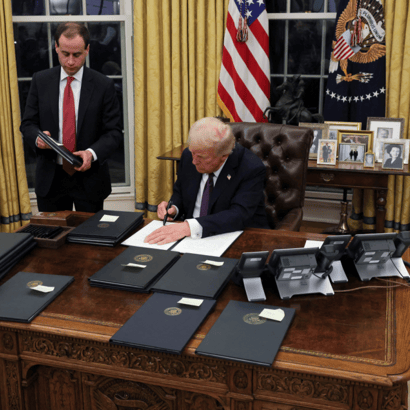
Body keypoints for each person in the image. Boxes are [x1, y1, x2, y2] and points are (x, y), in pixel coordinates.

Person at [20, 22, 122, 212]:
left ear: (87, 50)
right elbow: (27, 124)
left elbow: (113, 133)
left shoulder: (103, 85)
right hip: (51, 178)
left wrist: (91, 154)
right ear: (56, 47)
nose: (70, 62)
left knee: (89, 239)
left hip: (89, 179)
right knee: (52, 238)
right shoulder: (40, 81)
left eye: (77, 55)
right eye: (65, 54)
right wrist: (38, 138)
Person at [145, 117, 269, 245]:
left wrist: (189, 227)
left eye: (201, 157)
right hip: (189, 239)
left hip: (233, 237)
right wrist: (174, 208)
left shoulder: (250, 168)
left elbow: (238, 215)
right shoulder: (189, 155)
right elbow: (180, 192)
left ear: (224, 156)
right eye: (193, 153)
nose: (194, 161)